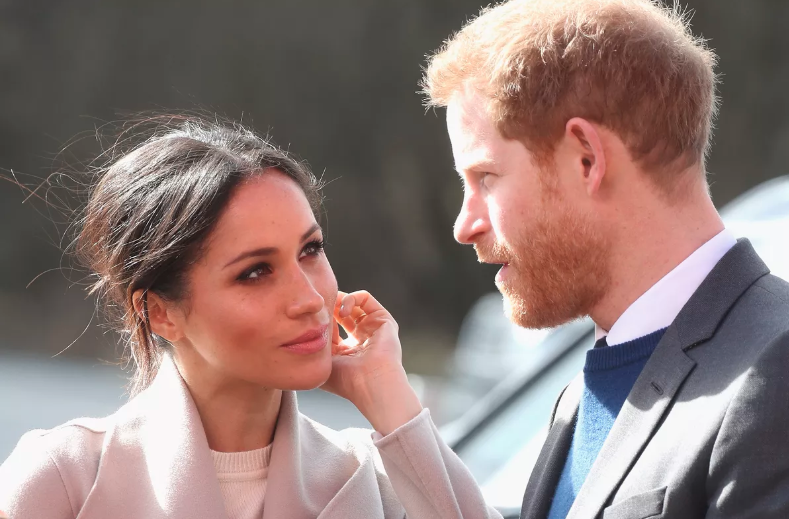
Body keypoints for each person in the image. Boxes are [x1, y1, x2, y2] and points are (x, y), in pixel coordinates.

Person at [0, 116, 501, 518]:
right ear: (159, 312)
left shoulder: (377, 482)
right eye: (256, 272)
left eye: (311, 250)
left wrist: (385, 392)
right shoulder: (66, 479)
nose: (308, 298)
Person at [421, 0, 789, 518]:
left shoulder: (775, 372)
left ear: (587, 159)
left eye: (486, 178)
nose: (465, 225)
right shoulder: (583, 389)